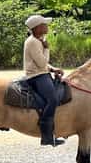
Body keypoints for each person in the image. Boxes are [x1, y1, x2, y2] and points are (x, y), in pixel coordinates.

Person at [23, 14, 65, 146]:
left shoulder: (37, 40)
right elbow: (42, 63)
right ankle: (46, 134)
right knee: (52, 99)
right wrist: (47, 48)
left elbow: (43, 64)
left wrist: (53, 69)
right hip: (37, 76)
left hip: (42, 73)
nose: (47, 27)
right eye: (44, 25)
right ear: (37, 28)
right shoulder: (33, 42)